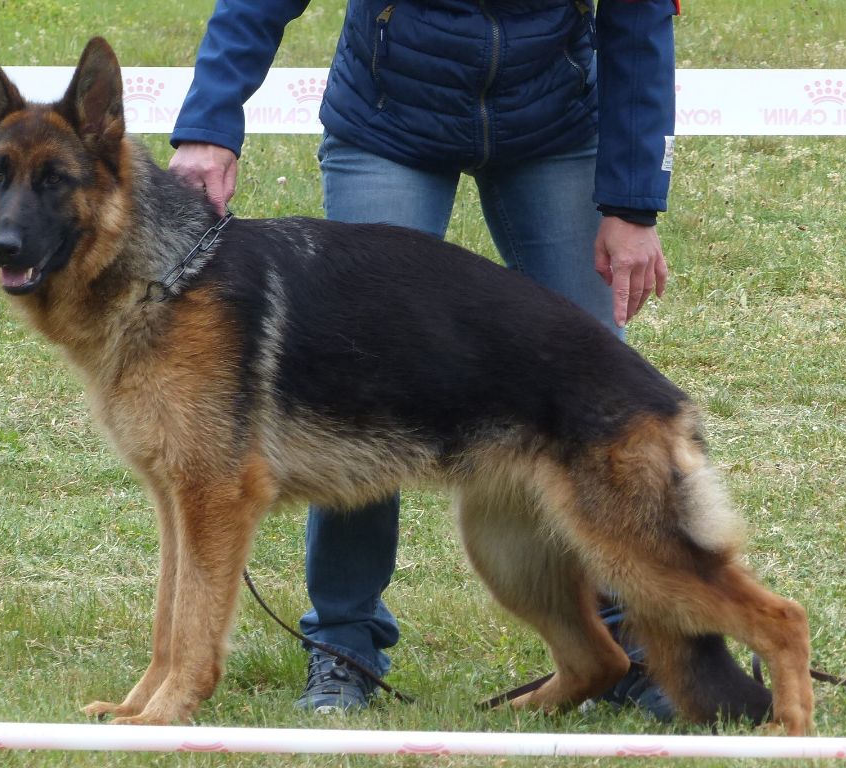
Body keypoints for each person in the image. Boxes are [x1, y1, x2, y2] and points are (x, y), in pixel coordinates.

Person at [170, 0, 677, 714]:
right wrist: (209, 122)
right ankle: (345, 644)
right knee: (349, 380)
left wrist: (632, 201)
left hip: (554, 122)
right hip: (391, 121)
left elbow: (640, 18)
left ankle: (638, 643)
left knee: (595, 394)